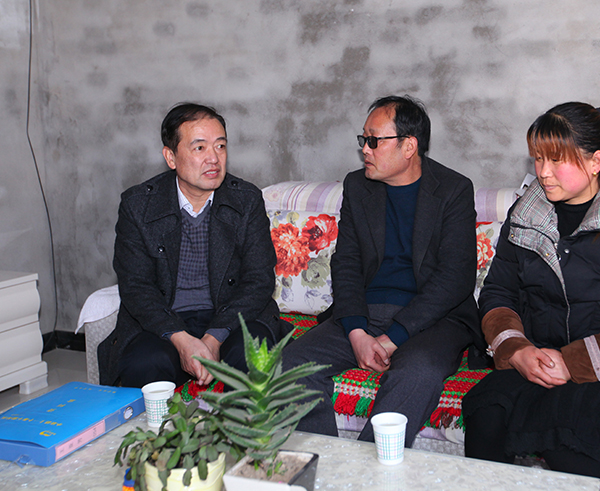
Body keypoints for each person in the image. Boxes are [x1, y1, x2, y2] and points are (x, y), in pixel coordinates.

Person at [462, 102, 600, 490]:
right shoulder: (526, 215)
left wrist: (571, 362)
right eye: (537, 158)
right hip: (537, 355)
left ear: (595, 162)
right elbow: (498, 292)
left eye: (555, 160)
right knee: (485, 410)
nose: (542, 172)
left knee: (562, 434)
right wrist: (517, 351)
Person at [281, 95, 479, 447]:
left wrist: (394, 337)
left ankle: (369, 468)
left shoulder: (453, 190)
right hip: (366, 311)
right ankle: (325, 462)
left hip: (433, 320)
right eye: (364, 139)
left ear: (409, 146)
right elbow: (346, 262)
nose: (365, 150)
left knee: (418, 373)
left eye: (374, 141)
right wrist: (357, 331)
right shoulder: (358, 187)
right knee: (291, 363)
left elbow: (454, 277)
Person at [98, 103, 291, 388]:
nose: (214, 158)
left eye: (220, 146)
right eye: (200, 148)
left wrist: (213, 338)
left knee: (253, 357)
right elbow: (136, 286)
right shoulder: (138, 205)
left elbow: (258, 280)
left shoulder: (246, 200)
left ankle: (242, 420)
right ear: (171, 157)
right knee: (145, 364)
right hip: (165, 322)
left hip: (232, 317)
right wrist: (181, 339)